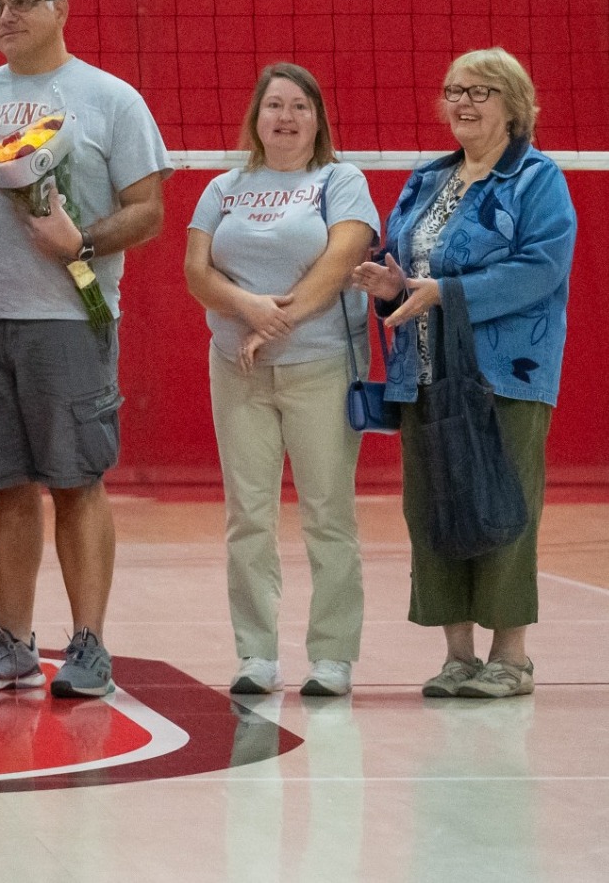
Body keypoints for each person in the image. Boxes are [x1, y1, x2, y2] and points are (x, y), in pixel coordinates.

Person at [0, 0, 169, 698]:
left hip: (69, 318)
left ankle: (90, 646)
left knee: (76, 481)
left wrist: (84, 243)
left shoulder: (110, 98)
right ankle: (12, 645)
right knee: (6, 486)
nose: (6, 17)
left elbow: (149, 209)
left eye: (23, 3)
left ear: (61, 7)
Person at [350, 47, 575, 699]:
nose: (463, 102)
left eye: (479, 91)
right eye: (454, 90)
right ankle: (457, 655)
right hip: (422, 369)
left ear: (514, 103)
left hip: (506, 370)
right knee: (433, 505)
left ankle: (510, 657)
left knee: (504, 503)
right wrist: (392, 283)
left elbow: (541, 268)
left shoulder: (536, 180)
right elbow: (405, 267)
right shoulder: (426, 180)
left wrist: (445, 292)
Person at [184, 63, 376, 698]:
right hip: (237, 369)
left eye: (299, 106)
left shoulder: (339, 182)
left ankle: (332, 657)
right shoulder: (225, 187)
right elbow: (198, 271)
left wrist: (276, 321)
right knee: (249, 515)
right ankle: (257, 655)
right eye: (274, 106)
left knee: (328, 513)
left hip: (320, 367)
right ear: (256, 117)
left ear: (317, 119)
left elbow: (342, 258)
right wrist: (250, 312)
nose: (286, 117)